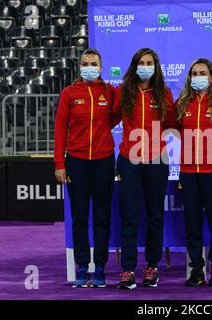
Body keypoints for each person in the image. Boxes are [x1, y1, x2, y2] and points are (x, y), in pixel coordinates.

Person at [112, 48, 174, 289]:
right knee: (129, 216)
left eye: (149, 62)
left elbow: (173, 124)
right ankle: (127, 269)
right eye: (141, 62)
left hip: (157, 160)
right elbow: (108, 119)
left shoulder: (164, 93)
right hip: (129, 159)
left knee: (155, 216)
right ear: (134, 65)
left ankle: (151, 267)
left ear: (156, 67)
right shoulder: (123, 91)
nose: (145, 66)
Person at [54, 48, 116, 288]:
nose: (89, 66)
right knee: (79, 218)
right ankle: (82, 265)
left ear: (101, 67)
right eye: (85, 63)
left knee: (102, 217)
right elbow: (60, 129)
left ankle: (99, 266)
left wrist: (102, 132)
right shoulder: (69, 93)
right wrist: (60, 163)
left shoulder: (109, 92)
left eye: (94, 63)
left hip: (103, 160)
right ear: (80, 66)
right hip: (76, 161)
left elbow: (117, 116)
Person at [175, 58, 212, 287]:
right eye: (194, 73)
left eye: (202, 73)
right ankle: (197, 269)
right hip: (188, 172)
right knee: (192, 223)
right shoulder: (182, 103)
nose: (198, 77)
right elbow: (171, 127)